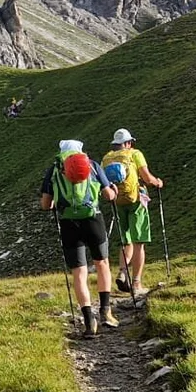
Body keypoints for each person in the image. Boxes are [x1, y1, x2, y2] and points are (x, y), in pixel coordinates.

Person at [38, 139, 120, 335]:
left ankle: (88, 320)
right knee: (102, 263)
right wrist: (114, 192)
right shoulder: (92, 165)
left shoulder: (55, 169)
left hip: (68, 223)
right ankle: (106, 312)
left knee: (79, 272)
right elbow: (108, 195)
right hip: (93, 220)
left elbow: (45, 205)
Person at [101, 128, 163, 297]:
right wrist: (157, 182)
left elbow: (102, 181)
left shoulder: (106, 158)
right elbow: (147, 177)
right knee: (139, 241)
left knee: (125, 240)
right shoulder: (135, 154)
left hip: (118, 201)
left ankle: (122, 271)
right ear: (128, 143)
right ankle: (136, 283)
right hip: (136, 201)